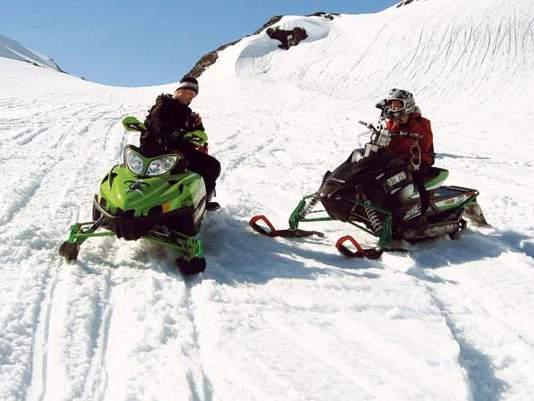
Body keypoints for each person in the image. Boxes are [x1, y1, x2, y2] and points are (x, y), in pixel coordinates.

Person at [141, 76, 221, 208]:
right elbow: (158, 126)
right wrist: (180, 134)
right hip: (160, 151)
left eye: (193, 96)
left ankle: (202, 201)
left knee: (212, 165)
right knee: (207, 166)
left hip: (181, 151)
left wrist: (198, 125)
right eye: (189, 93)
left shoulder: (188, 113)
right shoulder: (164, 105)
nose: (191, 98)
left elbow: (199, 135)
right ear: (179, 90)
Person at [380, 88, 435, 214]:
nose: (394, 108)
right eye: (392, 105)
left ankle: (421, 212)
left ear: (407, 105)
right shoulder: (392, 122)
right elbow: (388, 142)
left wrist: (412, 123)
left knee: (415, 177)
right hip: (397, 159)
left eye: (397, 104)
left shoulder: (422, 122)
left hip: (419, 159)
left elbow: (426, 142)